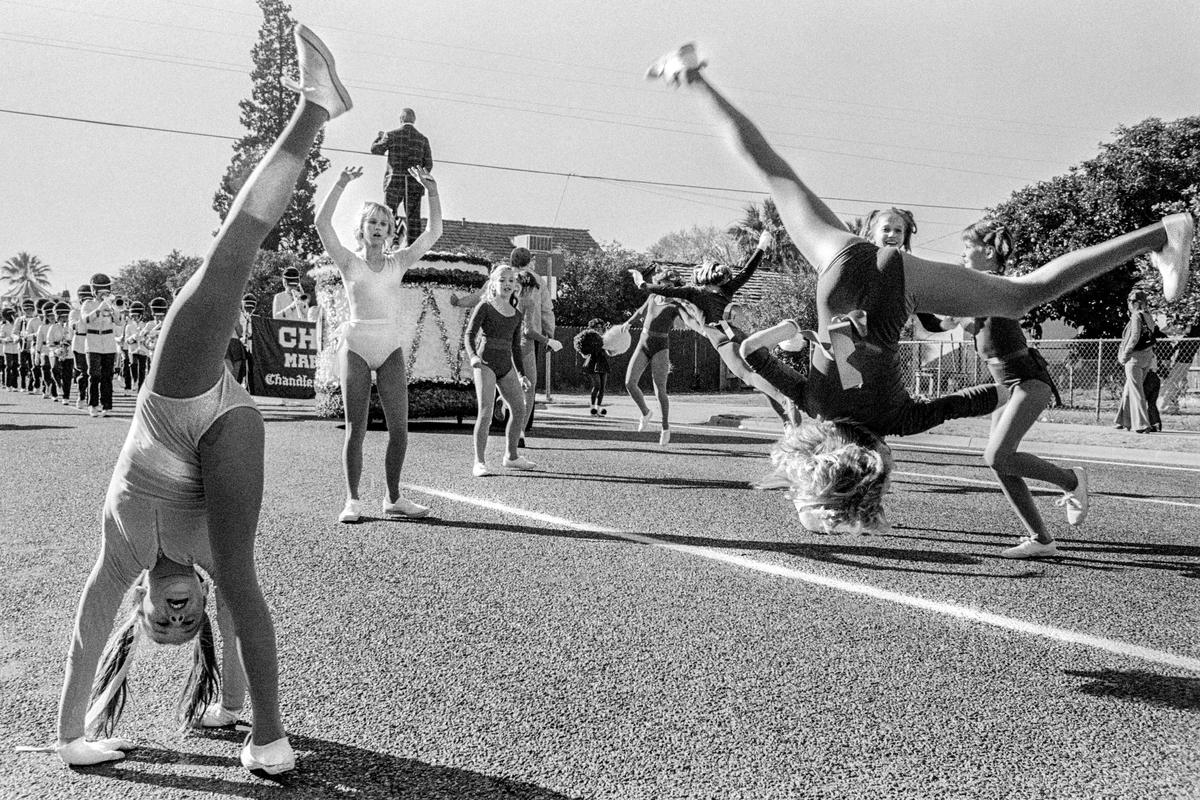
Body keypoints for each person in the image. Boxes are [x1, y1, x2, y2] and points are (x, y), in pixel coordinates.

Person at [645, 43, 1192, 532]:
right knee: (775, 173)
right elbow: (748, 351)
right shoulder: (811, 402)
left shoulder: (896, 423)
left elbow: (967, 401)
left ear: (872, 459)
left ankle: (1156, 235)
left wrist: (1020, 391)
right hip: (840, 264)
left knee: (1024, 293)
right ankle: (692, 76)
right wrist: (799, 333)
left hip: (888, 288)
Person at [51, 22, 350, 774]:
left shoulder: (119, 561)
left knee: (229, 258)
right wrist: (233, 707)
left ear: (142, 609)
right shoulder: (206, 569)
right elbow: (234, 610)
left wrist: (70, 739)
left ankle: (316, 109)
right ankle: (268, 738)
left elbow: (86, 638)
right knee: (242, 579)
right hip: (222, 428)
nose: (179, 612)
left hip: (170, 403)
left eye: (164, 619)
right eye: (188, 623)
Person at [924, 222, 1088, 559]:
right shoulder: (974, 294)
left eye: (966, 246)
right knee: (1001, 462)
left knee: (997, 455)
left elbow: (969, 309)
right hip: (1005, 386)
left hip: (1028, 381)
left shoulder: (999, 288)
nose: (961, 254)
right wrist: (909, 292)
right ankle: (1041, 539)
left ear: (987, 251)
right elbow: (937, 325)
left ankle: (1071, 480)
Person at [315, 160, 442, 523]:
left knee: (399, 430)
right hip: (355, 346)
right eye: (372, 222)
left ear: (390, 232)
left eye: (383, 224)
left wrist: (431, 191)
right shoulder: (348, 262)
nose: (377, 228)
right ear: (362, 228)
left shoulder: (398, 262)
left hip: (388, 349)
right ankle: (353, 501)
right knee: (357, 429)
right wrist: (340, 183)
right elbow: (321, 225)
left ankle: (394, 497)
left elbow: (434, 233)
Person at [464, 264, 536, 476]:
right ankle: (479, 462)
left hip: (506, 366)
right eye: (502, 280)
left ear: (516, 286)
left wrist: (522, 374)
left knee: (520, 408)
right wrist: (473, 357)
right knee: (485, 412)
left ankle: (511, 457)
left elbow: (515, 347)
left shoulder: (515, 314)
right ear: (494, 284)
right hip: (485, 363)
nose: (507, 284)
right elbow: (469, 335)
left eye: (511, 281)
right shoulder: (485, 307)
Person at [620, 268, 682, 444]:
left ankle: (665, 427)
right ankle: (646, 413)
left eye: (671, 285)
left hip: (661, 346)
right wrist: (628, 322)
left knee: (660, 390)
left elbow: (690, 318)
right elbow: (641, 312)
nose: (666, 288)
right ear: (659, 283)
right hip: (643, 343)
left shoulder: (675, 306)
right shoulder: (652, 297)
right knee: (629, 383)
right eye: (664, 284)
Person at [370, 108, 433, 245]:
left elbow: (375, 150)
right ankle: (413, 246)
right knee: (413, 217)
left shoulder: (391, 135)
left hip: (394, 181)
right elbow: (428, 164)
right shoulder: (423, 139)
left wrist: (381, 137)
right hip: (414, 183)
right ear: (414, 120)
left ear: (401, 119)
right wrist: (419, 177)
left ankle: (390, 242)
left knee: (389, 214)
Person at [1114, 289, 1161, 433]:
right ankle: (1122, 420)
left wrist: (1125, 355)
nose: (1129, 303)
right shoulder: (1149, 316)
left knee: (1136, 391)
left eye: (1131, 301)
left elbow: (1134, 337)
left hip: (1134, 358)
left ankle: (1141, 424)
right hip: (1146, 357)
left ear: (1137, 303)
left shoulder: (1136, 316)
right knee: (1128, 389)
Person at [80, 274, 119, 417]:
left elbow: (119, 322)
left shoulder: (111, 305)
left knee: (107, 376)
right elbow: (85, 320)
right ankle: (93, 404)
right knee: (94, 375)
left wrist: (113, 309)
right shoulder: (88, 304)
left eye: (107, 292)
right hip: (93, 341)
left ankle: (107, 405)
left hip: (108, 342)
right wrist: (99, 309)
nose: (105, 295)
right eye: (101, 292)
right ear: (95, 292)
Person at [574, 318, 611, 418]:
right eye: (596, 327)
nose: (599, 329)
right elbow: (583, 351)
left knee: (602, 388)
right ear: (592, 328)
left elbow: (609, 350)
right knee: (597, 385)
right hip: (592, 362)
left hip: (603, 362)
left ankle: (598, 409)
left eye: (600, 327)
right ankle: (592, 409)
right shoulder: (589, 338)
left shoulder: (605, 338)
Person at [70, 285, 92, 408]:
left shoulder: (95, 311)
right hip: (79, 343)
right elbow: (74, 326)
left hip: (93, 342)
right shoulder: (74, 312)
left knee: (93, 373)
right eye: (84, 299)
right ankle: (81, 395)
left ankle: (91, 398)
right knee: (84, 372)